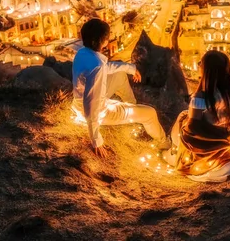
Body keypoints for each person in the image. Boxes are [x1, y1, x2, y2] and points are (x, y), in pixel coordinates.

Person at [72, 18, 170, 158]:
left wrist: (130, 68)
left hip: (78, 103)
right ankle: (163, 143)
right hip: (100, 112)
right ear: (103, 41)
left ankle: (133, 108)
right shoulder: (97, 66)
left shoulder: (83, 53)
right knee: (150, 113)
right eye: (107, 37)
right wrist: (96, 140)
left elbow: (105, 69)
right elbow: (91, 104)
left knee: (120, 75)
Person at [165, 50, 230, 182]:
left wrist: (183, 123)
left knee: (182, 117)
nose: (199, 65)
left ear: (208, 70)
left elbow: (193, 130)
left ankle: (175, 150)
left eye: (201, 63)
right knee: (185, 115)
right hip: (225, 138)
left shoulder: (201, 97)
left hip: (206, 147)